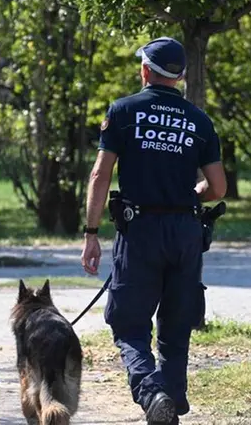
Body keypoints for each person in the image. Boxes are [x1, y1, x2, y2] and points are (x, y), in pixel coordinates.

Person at [80, 36, 227, 424]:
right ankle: (171, 401)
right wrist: (193, 191)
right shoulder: (199, 120)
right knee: (177, 324)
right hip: (185, 232)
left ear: (146, 70)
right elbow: (218, 188)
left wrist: (91, 232)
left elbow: (100, 173)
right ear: (179, 76)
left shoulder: (124, 111)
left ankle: (151, 391)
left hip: (140, 230)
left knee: (129, 323)